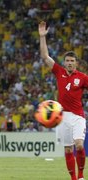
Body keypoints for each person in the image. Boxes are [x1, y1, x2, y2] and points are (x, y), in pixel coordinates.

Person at [39, 21, 87, 180]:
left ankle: (80, 176)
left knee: (79, 145)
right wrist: (42, 37)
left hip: (78, 116)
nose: (70, 63)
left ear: (76, 63)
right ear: (64, 62)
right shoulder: (59, 72)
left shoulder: (82, 78)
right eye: (67, 61)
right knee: (67, 150)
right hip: (61, 117)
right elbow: (45, 57)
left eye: (72, 61)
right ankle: (73, 178)